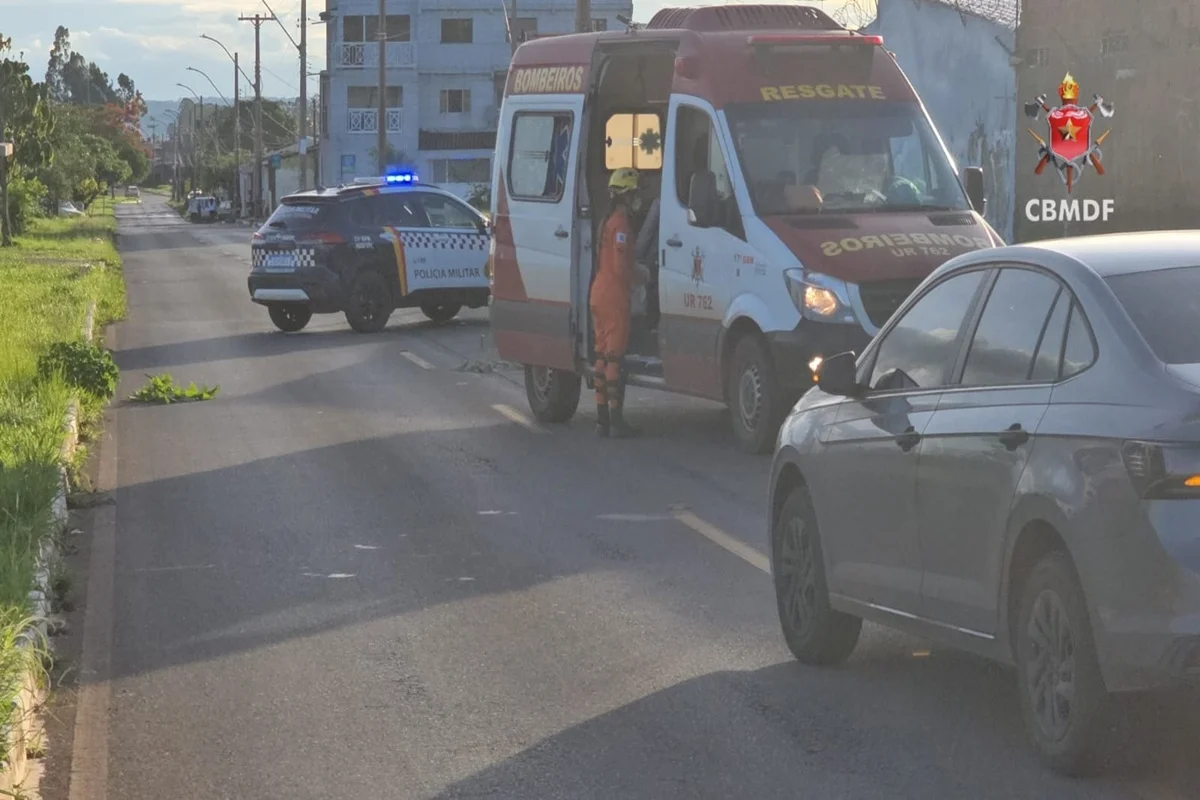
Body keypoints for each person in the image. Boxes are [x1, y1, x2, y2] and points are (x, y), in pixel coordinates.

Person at [591, 167, 646, 438]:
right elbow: (621, 266)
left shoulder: (607, 220)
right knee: (614, 359)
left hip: (599, 292)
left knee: (601, 356)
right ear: (626, 195)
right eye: (635, 193)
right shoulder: (622, 224)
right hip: (614, 295)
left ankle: (601, 419)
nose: (638, 199)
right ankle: (615, 418)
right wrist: (641, 277)